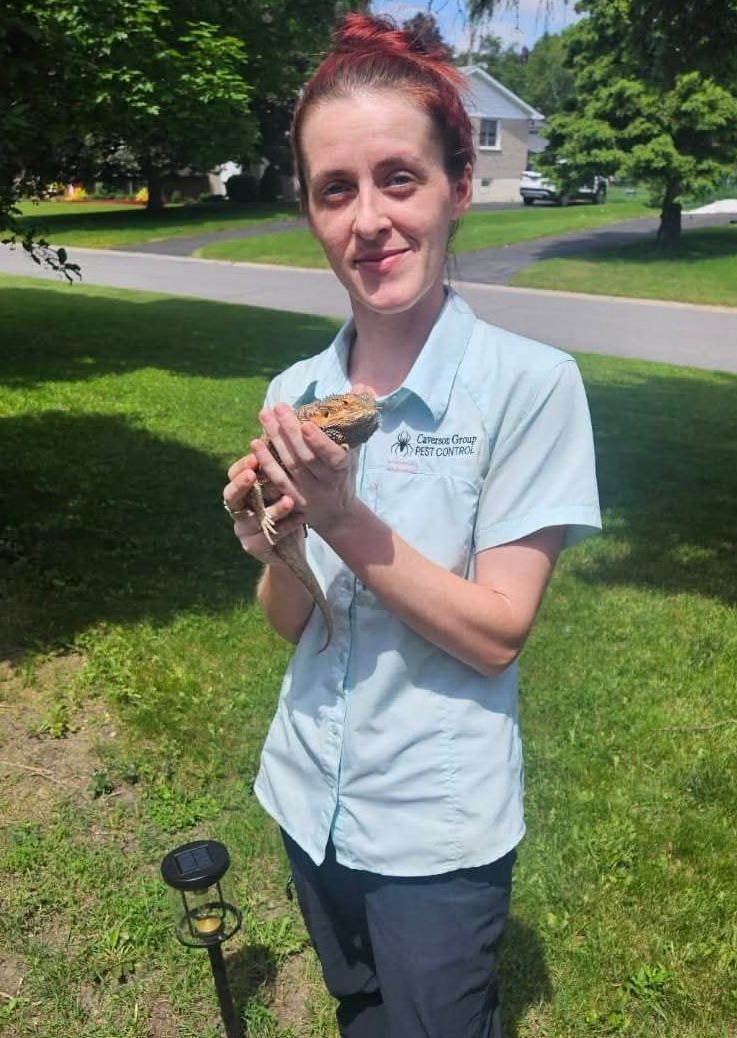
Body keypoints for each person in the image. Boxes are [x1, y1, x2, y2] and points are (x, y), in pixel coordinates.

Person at [222, 14, 601, 1038]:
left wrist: (343, 519)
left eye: (399, 179)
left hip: (434, 829)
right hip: (308, 793)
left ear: (457, 187)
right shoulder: (297, 391)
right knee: (360, 1010)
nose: (369, 220)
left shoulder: (529, 387)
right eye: (334, 189)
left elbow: (496, 633)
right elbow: (290, 623)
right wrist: (276, 548)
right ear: (309, 211)